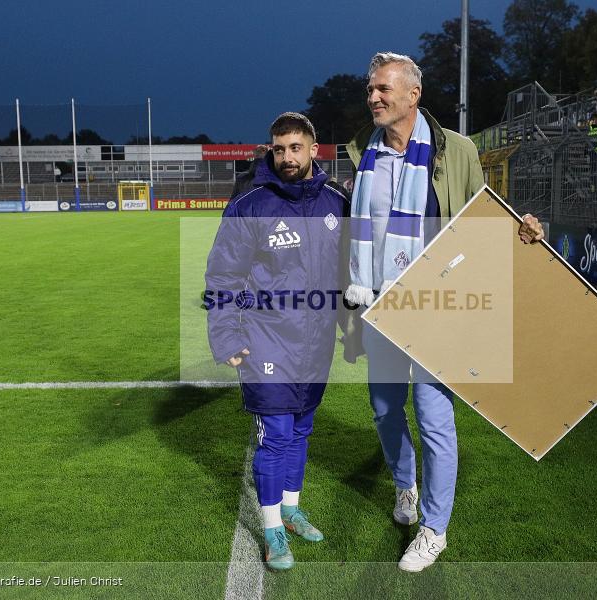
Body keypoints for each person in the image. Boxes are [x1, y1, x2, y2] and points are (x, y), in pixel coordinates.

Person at [341, 52, 543, 572]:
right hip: (379, 306)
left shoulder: (456, 149)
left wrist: (519, 227)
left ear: (414, 95)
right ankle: (405, 486)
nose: (374, 97)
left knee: (434, 418)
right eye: (370, 89)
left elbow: (479, 213)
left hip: (436, 303)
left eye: (384, 89)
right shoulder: (364, 150)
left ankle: (435, 528)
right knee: (386, 411)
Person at [205, 112, 348, 571]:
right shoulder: (250, 204)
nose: (286, 157)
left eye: (294, 147)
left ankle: (290, 509)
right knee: (277, 433)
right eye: (278, 148)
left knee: (302, 428)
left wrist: (354, 326)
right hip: (266, 337)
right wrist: (226, 333)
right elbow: (223, 274)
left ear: (313, 149)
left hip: (317, 337)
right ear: (271, 150)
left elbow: (349, 271)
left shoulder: (335, 201)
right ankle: (271, 530)